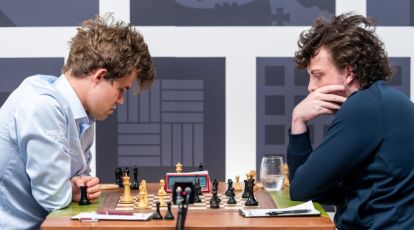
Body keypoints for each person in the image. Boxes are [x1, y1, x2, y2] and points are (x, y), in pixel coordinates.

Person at [0, 14, 155, 229]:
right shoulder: (42, 106)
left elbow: (82, 182)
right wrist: (72, 189)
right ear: (100, 76)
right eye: (121, 90)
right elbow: (53, 197)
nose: (120, 101)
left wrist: (79, 186)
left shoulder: (82, 115)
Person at [287, 13, 414, 229]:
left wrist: (298, 119)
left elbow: (302, 189)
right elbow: (322, 189)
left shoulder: (365, 107)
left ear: (348, 72)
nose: (310, 87)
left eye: (318, 75)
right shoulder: (380, 101)